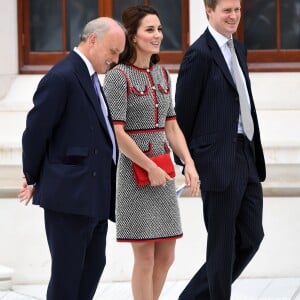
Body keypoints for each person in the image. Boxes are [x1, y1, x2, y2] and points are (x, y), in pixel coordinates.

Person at [18, 17, 125, 300]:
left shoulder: (89, 78)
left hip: (94, 196)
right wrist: (33, 177)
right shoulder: (62, 77)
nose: (115, 60)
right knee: (67, 278)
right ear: (92, 41)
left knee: (92, 268)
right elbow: (34, 133)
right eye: (113, 51)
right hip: (69, 198)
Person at [103, 5, 199, 300]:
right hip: (134, 173)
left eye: (158, 29)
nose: (157, 35)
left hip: (163, 167)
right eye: (149, 29)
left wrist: (189, 163)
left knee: (167, 254)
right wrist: (150, 168)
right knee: (144, 256)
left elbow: (172, 125)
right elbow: (119, 134)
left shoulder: (161, 72)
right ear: (132, 36)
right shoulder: (118, 76)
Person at [174, 0, 266, 299]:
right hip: (216, 162)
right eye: (227, 10)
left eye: (237, 10)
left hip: (247, 156)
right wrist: (188, 163)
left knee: (251, 237)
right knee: (221, 244)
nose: (234, 16)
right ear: (209, 11)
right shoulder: (198, 56)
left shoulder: (238, 49)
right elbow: (182, 116)